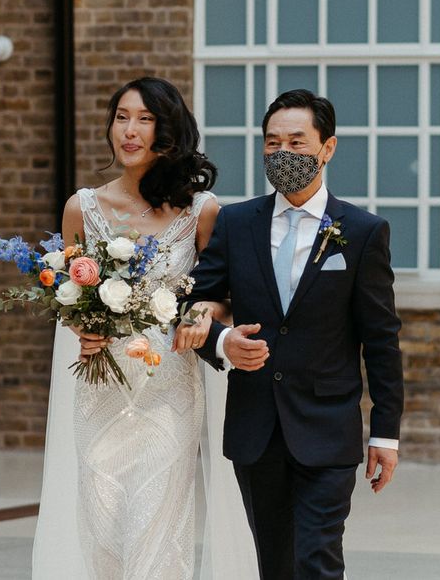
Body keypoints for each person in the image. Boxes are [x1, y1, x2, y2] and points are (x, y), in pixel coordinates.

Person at [31, 77, 257, 579]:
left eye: (145, 119)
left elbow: (221, 293)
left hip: (168, 388)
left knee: (157, 524)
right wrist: (82, 328)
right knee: (104, 525)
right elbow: (66, 292)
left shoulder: (202, 210)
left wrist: (205, 311)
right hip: (101, 389)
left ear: (168, 130)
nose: (129, 131)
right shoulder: (82, 207)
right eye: (122, 117)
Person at [187, 89, 404, 580]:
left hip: (327, 428)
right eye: (271, 143)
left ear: (327, 148)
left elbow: (382, 340)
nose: (282, 154)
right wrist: (222, 342)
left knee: (317, 561)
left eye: (297, 143)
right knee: (276, 565)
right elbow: (189, 305)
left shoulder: (364, 231)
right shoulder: (236, 222)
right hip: (255, 429)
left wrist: (385, 434)